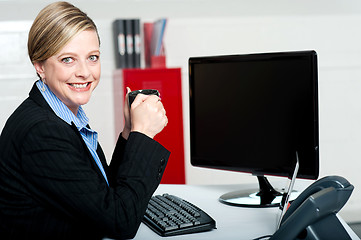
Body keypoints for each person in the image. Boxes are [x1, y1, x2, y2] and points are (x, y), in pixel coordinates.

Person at [0, 1, 170, 239]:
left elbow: (101, 193)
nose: (85, 72)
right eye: (68, 59)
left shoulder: (63, 113)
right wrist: (144, 135)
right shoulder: (42, 131)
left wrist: (130, 132)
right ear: (40, 65)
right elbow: (120, 222)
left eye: (92, 57)